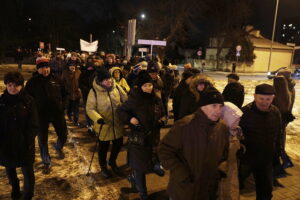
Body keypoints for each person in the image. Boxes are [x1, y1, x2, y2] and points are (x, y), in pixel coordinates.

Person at [158, 87, 229, 200]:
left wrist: (219, 170)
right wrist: (181, 173)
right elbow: (164, 150)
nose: (218, 110)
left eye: (221, 106)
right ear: (202, 106)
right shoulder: (184, 125)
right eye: (214, 106)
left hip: (208, 189)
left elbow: (224, 153)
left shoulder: (222, 128)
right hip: (185, 188)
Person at [117, 71, 166, 200]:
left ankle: (133, 178)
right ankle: (143, 194)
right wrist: (130, 119)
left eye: (150, 85)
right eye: (145, 86)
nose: (148, 88)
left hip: (153, 137)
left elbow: (163, 113)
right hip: (139, 139)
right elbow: (121, 111)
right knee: (140, 168)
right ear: (139, 87)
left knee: (149, 162)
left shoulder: (156, 98)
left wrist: (162, 121)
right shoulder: (134, 99)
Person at [25, 57, 68, 174]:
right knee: (42, 140)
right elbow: (27, 99)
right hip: (40, 115)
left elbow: (65, 94)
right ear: (38, 69)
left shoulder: (57, 79)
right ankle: (46, 161)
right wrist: (32, 113)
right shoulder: (32, 83)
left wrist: (63, 105)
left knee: (63, 134)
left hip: (57, 113)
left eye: (47, 67)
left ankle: (59, 147)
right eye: (42, 67)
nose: (46, 69)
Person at [239, 84, 282, 200]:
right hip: (247, 159)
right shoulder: (244, 112)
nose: (264, 102)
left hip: (266, 160)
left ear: (273, 98)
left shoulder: (275, 112)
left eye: (268, 99)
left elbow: (279, 134)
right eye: (261, 98)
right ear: (254, 96)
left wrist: (278, 153)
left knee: (266, 192)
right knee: (234, 185)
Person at [0, 72, 39, 200]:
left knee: (28, 173)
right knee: (10, 170)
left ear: (21, 86)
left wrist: (27, 141)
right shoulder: (1, 102)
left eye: (16, 85)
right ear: (6, 85)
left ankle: (27, 195)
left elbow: (34, 124)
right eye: (10, 85)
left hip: (25, 144)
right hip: (6, 144)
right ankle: (15, 189)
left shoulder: (29, 100)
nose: (13, 88)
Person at [86, 67, 127, 178]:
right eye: (105, 80)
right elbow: (90, 108)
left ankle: (112, 162)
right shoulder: (94, 91)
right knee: (103, 148)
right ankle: (103, 166)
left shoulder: (116, 87)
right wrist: (98, 118)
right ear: (100, 81)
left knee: (118, 144)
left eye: (109, 78)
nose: (109, 81)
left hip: (117, 123)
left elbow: (126, 100)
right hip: (103, 125)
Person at [218, 102, 243, 200]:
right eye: (235, 120)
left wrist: (241, 147)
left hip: (232, 170)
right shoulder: (219, 134)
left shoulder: (236, 131)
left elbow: (238, 144)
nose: (237, 123)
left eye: (238, 120)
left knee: (232, 190)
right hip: (222, 173)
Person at [78, 56, 96, 135]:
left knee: (94, 110)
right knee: (87, 109)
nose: (90, 69)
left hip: (95, 95)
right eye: (89, 67)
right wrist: (85, 89)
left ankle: (94, 125)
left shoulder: (96, 74)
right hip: (86, 94)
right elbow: (80, 83)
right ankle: (89, 125)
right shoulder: (83, 74)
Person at [62, 60, 82, 126]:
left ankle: (76, 120)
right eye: (70, 66)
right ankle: (69, 115)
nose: (72, 67)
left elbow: (81, 81)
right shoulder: (65, 72)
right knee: (69, 106)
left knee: (76, 108)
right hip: (68, 93)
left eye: (73, 65)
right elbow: (62, 82)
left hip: (77, 93)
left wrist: (80, 88)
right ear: (68, 66)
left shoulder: (78, 72)